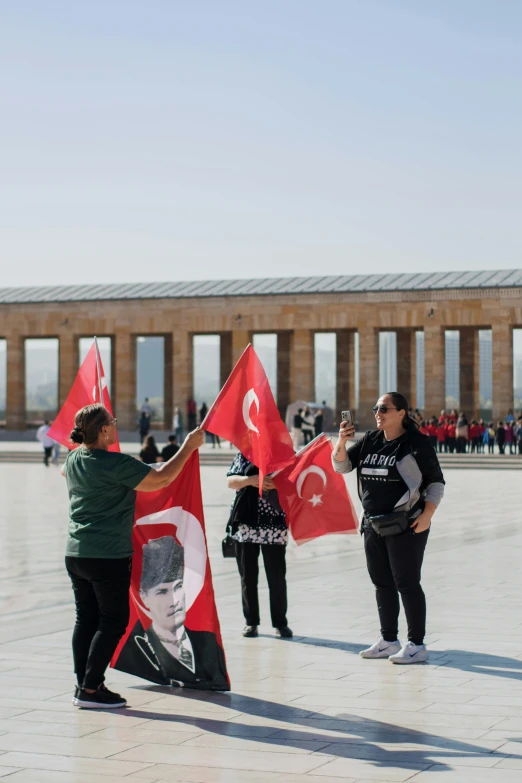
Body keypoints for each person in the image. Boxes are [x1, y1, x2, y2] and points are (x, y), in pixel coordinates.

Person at [62, 403, 204, 709]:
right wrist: (189, 446)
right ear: (103, 431)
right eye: (112, 422)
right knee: (113, 620)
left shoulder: (73, 458)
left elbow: (65, 470)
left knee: (85, 618)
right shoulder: (116, 465)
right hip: (107, 555)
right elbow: (163, 477)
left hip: (76, 552)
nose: (115, 425)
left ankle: (85, 683)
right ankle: (89, 690)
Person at [332, 392, 445, 664]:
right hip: (372, 523)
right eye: (376, 408)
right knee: (381, 582)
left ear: (401, 413)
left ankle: (416, 645)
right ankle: (388, 640)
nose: (378, 413)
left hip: (407, 523)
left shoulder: (415, 443)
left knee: (406, 583)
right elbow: (342, 466)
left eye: (384, 408)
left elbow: (436, 483)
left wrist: (427, 515)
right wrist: (341, 441)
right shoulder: (370, 440)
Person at [114, 536, 228, 689]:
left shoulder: (209, 642)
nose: (174, 600)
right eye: (162, 592)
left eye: (178, 587)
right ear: (144, 596)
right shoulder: (133, 647)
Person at [226, 453, 292, 639]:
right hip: (246, 523)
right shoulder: (244, 455)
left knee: (277, 577)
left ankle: (280, 623)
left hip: (274, 523)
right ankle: (251, 622)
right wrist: (251, 480)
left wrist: (277, 484)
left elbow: (296, 482)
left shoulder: (282, 454)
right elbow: (231, 481)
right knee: (248, 576)